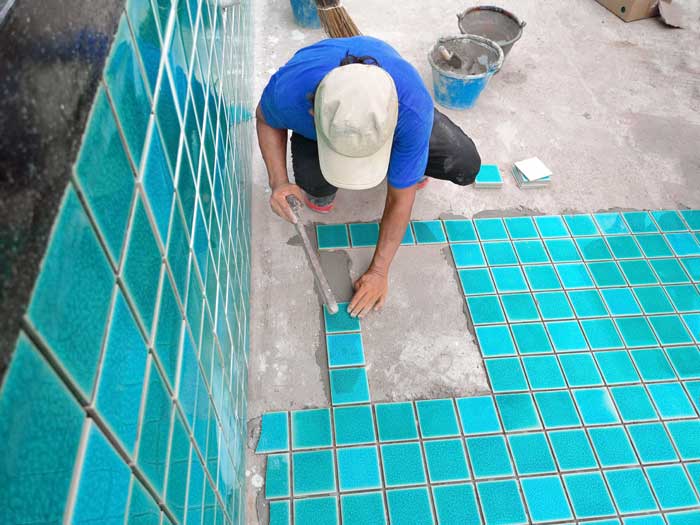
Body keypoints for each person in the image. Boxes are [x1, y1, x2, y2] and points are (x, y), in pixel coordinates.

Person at [256, 36, 481, 318]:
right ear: (313, 112)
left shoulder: (410, 107)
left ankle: (410, 162)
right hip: (315, 114)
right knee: (317, 192)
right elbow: (265, 119)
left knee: (463, 164)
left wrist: (379, 271)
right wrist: (278, 181)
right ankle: (394, 162)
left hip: (399, 112)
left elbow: (400, 201)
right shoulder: (290, 93)